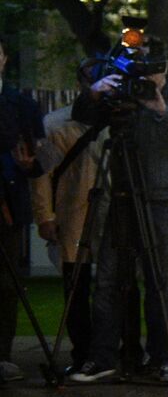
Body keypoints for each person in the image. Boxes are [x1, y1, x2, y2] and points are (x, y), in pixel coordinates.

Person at [70, 51, 168, 386]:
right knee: (107, 280)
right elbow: (82, 115)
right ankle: (102, 357)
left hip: (167, 199)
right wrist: (96, 91)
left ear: (164, 71)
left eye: (152, 74)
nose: (145, 81)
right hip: (123, 196)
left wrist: (162, 110)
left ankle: (167, 359)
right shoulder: (122, 93)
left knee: (166, 284)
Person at [30, 68, 105, 373]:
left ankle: (113, 349)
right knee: (76, 285)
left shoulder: (120, 121)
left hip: (111, 213)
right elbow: (42, 175)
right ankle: (83, 350)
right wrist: (45, 216)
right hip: (73, 211)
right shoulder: (55, 123)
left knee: (116, 285)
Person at [0, 37, 45, 382]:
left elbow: (38, 161)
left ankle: (2, 354)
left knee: (7, 281)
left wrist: (29, 164)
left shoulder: (22, 105)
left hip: (7, 206)